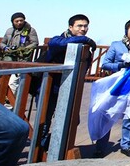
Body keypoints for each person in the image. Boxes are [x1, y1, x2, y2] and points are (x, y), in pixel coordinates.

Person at [94, 19, 130, 157]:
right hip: (117, 85)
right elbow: (105, 64)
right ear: (127, 31)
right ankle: (101, 146)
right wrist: (120, 65)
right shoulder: (116, 45)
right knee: (107, 114)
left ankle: (126, 145)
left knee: (129, 115)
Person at [40, 14, 97, 151]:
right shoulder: (59, 40)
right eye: (79, 26)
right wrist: (85, 39)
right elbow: (54, 44)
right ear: (70, 27)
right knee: (45, 121)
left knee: (72, 121)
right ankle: (39, 152)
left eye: (85, 26)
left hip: (69, 89)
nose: (83, 29)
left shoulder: (84, 47)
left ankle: (51, 147)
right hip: (49, 86)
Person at [0, 12, 39, 98]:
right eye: (16, 21)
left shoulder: (30, 30)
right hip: (9, 60)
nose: (19, 23)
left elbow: (35, 43)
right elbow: (2, 43)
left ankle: (9, 105)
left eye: (21, 20)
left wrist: (22, 50)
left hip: (22, 61)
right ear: (13, 22)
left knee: (13, 82)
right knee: (3, 80)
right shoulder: (9, 31)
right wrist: (6, 48)